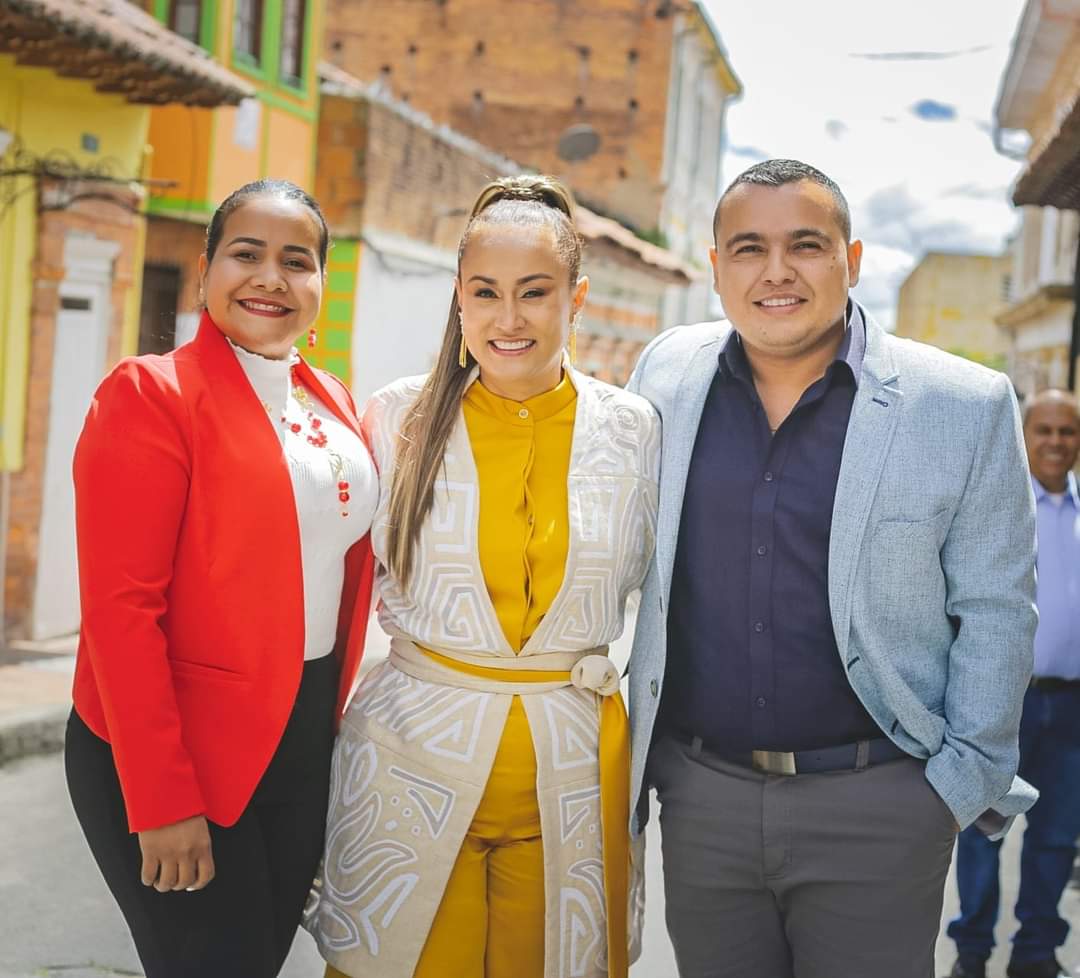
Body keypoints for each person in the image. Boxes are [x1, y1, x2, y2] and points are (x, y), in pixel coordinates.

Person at [625, 158, 1039, 978]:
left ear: (851, 261)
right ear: (716, 267)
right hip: (703, 801)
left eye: (805, 246)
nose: (775, 271)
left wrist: (952, 789)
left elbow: (998, 609)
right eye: (749, 248)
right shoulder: (667, 374)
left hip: (881, 805)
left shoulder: (964, 405)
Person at [307, 175, 660, 978]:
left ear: (576, 298)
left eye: (534, 292)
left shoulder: (634, 430)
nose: (509, 319)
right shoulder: (397, 418)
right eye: (485, 292)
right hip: (407, 774)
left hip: (570, 782)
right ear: (459, 297)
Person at [65, 179, 379, 978]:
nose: (271, 277)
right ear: (205, 270)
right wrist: (161, 798)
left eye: (296, 261)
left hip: (301, 739)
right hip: (177, 749)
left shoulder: (331, 400)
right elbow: (119, 613)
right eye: (247, 254)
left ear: (321, 282)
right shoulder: (151, 395)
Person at [946, 389, 1080, 978]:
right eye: (1044, 429)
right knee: (983, 830)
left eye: (1067, 431)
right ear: (1024, 437)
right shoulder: (999, 506)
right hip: (1003, 700)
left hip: (1072, 706)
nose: (1055, 441)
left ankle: (1036, 953)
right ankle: (972, 951)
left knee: (1057, 836)